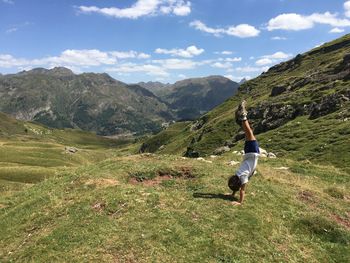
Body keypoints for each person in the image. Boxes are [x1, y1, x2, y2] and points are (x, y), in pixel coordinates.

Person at [228, 100, 260, 206]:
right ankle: (241, 120)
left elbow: (242, 189)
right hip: (248, 153)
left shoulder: (243, 177)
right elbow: (239, 187)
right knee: (248, 132)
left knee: (249, 132)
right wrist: (234, 195)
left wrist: (239, 202)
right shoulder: (238, 175)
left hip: (252, 153)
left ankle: (243, 116)